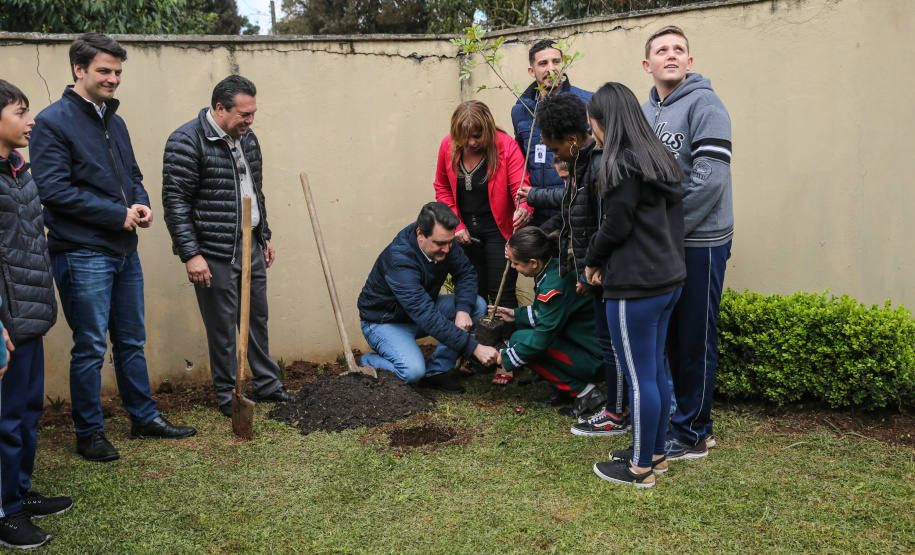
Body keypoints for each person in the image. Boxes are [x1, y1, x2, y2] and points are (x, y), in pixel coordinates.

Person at [30, 33, 196, 463]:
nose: (113, 78)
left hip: (123, 250)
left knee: (131, 341)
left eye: (118, 71)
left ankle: (144, 418)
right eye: (104, 70)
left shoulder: (114, 121)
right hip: (80, 251)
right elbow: (52, 191)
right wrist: (114, 214)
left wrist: (140, 203)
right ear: (79, 69)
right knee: (90, 346)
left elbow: (132, 175)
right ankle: (89, 433)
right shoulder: (51, 122)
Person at [162, 75, 294, 418]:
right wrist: (191, 254)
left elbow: (255, 191)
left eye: (253, 113)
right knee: (222, 326)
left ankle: (267, 384)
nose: (250, 121)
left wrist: (264, 234)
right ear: (219, 108)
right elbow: (175, 203)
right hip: (214, 250)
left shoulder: (247, 138)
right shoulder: (186, 141)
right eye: (244, 114)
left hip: (251, 243)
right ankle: (228, 393)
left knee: (257, 319)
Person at [583, 82, 686, 488]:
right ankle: (655, 453)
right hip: (667, 281)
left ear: (605, 121)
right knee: (654, 372)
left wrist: (592, 260)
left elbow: (616, 225)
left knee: (639, 377)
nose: (592, 133)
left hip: (636, 287)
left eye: (592, 125)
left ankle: (640, 468)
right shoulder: (657, 156)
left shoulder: (620, 165)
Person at [641, 26, 733, 458]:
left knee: (695, 336)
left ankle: (695, 432)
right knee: (671, 336)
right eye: (662, 50)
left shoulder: (707, 105)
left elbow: (709, 181)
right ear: (648, 64)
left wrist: (665, 232)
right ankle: (679, 420)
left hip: (702, 241)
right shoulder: (645, 112)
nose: (671, 55)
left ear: (690, 61)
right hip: (665, 241)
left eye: (679, 49)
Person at [520, 93, 627, 425]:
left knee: (613, 346)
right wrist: (535, 195)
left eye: (554, 149)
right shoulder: (584, 165)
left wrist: (589, 268)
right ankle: (615, 408)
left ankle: (617, 412)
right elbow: (571, 204)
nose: (554, 156)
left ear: (571, 140)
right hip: (594, 274)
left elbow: (605, 223)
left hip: (605, 275)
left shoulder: (598, 166)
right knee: (608, 343)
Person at [0, 80, 72, 550]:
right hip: (5, 324)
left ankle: (18, 492)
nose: (31, 121)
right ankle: (3, 511)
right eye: (21, 112)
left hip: (29, 314)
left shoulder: (18, 170)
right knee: (3, 420)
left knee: (26, 412)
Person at [358, 202, 500, 394]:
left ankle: (436, 370)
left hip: (419, 314)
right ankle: (368, 361)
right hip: (385, 322)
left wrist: (463, 310)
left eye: (450, 242)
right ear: (420, 234)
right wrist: (474, 347)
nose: (447, 249)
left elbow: (466, 273)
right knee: (411, 372)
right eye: (440, 244)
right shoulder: (400, 261)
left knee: (476, 304)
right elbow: (425, 315)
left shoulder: (444, 242)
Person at [490, 228, 605, 416]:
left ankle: (584, 392)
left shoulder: (552, 286)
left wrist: (505, 356)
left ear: (533, 263)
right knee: (523, 336)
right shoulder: (554, 268)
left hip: (594, 359)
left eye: (515, 263)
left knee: (521, 342)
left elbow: (541, 340)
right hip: (587, 346)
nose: (513, 267)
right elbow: (551, 313)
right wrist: (516, 314)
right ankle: (563, 389)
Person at [433, 100, 532, 316]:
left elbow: (521, 188)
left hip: (499, 230)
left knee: (502, 295)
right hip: (464, 233)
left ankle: (507, 337)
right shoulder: (448, 145)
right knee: (472, 294)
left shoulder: (506, 146)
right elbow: (442, 188)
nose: (471, 142)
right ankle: (474, 337)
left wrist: (524, 207)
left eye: (477, 136)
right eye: (465, 137)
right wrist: (456, 225)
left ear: (487, 128)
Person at [511, 39, 593, 228]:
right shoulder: (521, 109)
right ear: (532, 71)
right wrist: (524, 204)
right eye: (543, 63)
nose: (551, 68)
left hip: (575, 206)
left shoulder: (586, 103)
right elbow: (521, 161)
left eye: (556, 62)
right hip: (536, 209)